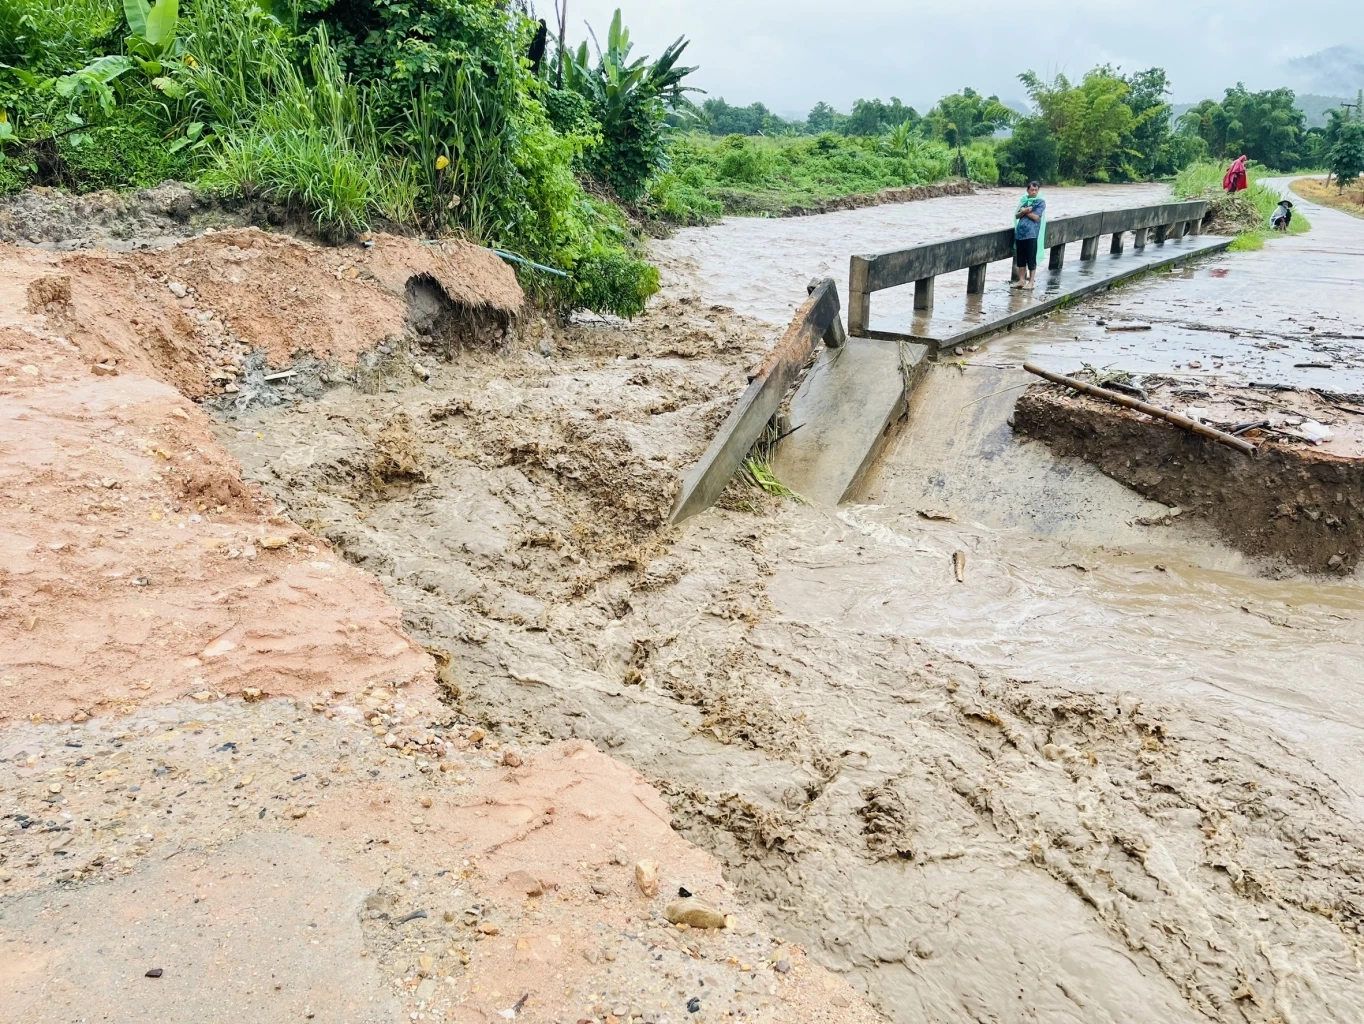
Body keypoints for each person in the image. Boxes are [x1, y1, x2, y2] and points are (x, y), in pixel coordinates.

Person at [1012, 180, 1046, 291]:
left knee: (1031, 259)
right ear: (1027, 190)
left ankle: (1031, 282)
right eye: (1032, 190)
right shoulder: (1024, 200)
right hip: (1020, 233)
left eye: (1036, 190)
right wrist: (1024, 210)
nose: (1034, 192)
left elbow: (1036, 217)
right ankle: (1021, 280)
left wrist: (1025, 211)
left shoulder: (1040, 202)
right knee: (1021, 259)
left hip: (1032, 234)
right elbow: (1017, 215)